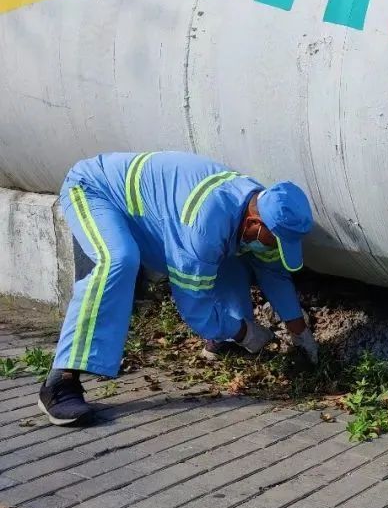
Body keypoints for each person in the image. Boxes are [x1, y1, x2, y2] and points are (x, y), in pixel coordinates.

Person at [39, 151, 319, 427]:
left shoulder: (261, 208)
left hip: (149, 217)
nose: (273, 247)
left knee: (231, 256)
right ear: (255, 223)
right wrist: (245, 332)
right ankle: (61, 379)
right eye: (274, 241)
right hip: (94, 189)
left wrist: (300, 333)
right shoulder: (203, 224)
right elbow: (193, 306)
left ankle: (224, 337)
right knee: (119, 260)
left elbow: (272, 272)